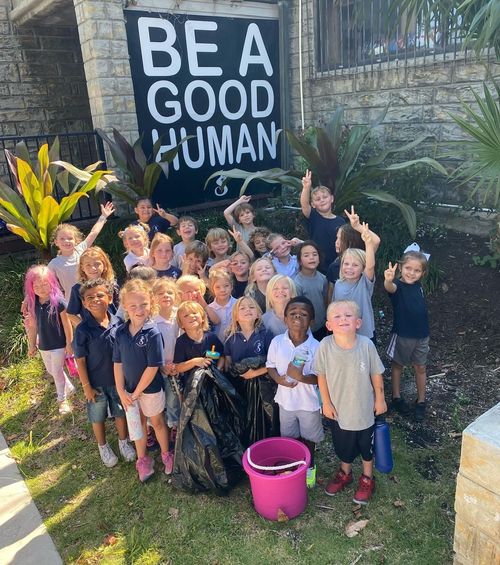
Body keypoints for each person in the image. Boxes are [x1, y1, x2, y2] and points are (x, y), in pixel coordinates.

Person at [314, 300, 387, 505]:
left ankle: (367, 478)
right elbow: (322, 377)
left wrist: (380, 398)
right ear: (328, 325)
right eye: (337, 316)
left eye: (348, 315)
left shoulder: (366, 345)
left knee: (366, 447)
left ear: (358, 322)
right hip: (338, 410)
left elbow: (376, 374)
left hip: (364, 409)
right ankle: (345, 473)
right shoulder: (325, 346)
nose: (343, 319)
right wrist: (325, 403)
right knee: (343, 446)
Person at [73, 279, 136, 467]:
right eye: (89, 297)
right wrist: (86, 387)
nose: (95, 300)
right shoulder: (83, 329)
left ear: (109, 298)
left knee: (119, 411)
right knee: (97, 415)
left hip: (118, 381)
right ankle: (103, 446)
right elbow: (80, 360)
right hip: (96, 383)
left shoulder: (119, 322)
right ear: (84, 303)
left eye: (100, 295)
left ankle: (123, 442)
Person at [113, 279, 171, 482]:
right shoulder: (120, 332)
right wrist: (121, 391)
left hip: (150, 389)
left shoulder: (153, 332)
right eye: (133, 306)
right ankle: (142, 459)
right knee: (137, 424)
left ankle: (166, 454)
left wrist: (136, 393)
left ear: (151, 303)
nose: (139, 309)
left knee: (156, 422)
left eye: (143, 304)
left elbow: (153, 366)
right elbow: (118, 363)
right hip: (128, 392)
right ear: (125, 306)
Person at [266, 296, 323, 488]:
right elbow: (270, 366)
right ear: (285, 318)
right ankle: (291, 468)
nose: (298, 316)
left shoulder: (317, 347)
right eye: (293, 313)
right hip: (285, 402)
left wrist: (300, 377)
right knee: (289, 438)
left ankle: (309, 468)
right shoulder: (277, 342)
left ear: (312, 321)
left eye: (304, 314)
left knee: (309, 438)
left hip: (309, 403)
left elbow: (319, 378)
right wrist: (279, 379)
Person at [384, 252, 430, 421]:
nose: (411, 273)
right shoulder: (397, 286)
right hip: (403, 335)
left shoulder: (418, 286)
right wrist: (388, 280)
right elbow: (390, 288)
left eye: (417, 270)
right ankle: (396, 397)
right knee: (398, 365)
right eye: (408, 268)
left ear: (422, 274)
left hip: (422, 335)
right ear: (401, 267)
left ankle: (421, 400)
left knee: (421, 367)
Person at [24, 265, 75, 414]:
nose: (41, 288)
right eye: (37, 286)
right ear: (31, 287)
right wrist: (32, 345)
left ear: (52, 282)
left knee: (57, 371)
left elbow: (67, 324)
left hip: (58, 344)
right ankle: (69, 388)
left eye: (45, 284)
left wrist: (69, 343)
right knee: (51, 370)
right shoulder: (33, 304)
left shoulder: (59, 302)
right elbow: (33, 327)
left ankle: (62, 400)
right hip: (43, 345)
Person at [48, 202, 115, 299]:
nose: (66, 241)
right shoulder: (54, 264)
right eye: (62, 239)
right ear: (56, 242)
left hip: (92, 297)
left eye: (70, 238)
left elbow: (94, 232)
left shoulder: (81, 250)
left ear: (76, 241)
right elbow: (43, 281)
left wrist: (103, 216)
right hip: (72, 303)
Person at [333, 223, 377, 343]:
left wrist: (368, 243)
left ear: (363, 268)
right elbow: (334, 308)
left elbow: (370, 265)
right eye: (346, 264)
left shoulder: (364, 282)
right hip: (343, 333)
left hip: (364, 333)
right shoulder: (338, 284)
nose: (349, 268)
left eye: (355, 265)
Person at [152, 278, 181, 456]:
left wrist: (178, 364)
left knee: (174, 399)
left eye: (169, 292)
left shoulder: (179, 315)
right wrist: (162, 365)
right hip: (158, 367)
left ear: (176, 295)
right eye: (161, 293)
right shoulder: (152, 320)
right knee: (160, 400)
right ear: (154, 297)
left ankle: (174, 427)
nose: (166, 296)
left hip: (177, 365)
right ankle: (158, 429)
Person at [326, 206, 381, 300]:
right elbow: (330, 295)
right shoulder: (334, 266)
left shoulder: (362, 258)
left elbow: (375, 241)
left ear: (350, 241)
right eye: (337, 238)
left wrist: (357, 226)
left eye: (340, 239)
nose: (336, 242)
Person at [300, 169, 345, 272]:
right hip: (317, 266)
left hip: (336, 265)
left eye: (325, 197)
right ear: (313, 204)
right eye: (317, 199)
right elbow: (304, 204)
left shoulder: (341, 221)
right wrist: (306, 187)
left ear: (332, 199)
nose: (322, 200)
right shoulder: (313, 216)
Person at [172, 301, 225, 386]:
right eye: (186, 315)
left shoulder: (212, 337)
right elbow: (178, 367)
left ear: (203, 317)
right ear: (181, 324)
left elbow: (222, 356)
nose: (191, 316)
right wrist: (194, 362)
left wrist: (218, 370)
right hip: (192, 388)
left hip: (213, 384)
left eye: (194, 313)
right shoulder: (181, 342)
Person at [67, 246, 118, 327]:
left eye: (97, 264)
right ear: (82, 268)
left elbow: (120, 309)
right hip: (93, 336)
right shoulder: (77, 289)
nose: (93, 268)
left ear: (104, 265)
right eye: (88, 265)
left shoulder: (112, 285)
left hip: (113, 331)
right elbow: (71, 314)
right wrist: (85, 328)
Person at [293, 241, 328, 339]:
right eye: (306, 255)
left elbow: (326, 301)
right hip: (306, 329)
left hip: (323, 325)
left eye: (314, 254)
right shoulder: (297, 283)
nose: (311, 258)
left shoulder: (323, 278)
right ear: (300, 261)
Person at [207, 269, 237, 342]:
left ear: (231, 287)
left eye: (226, 286)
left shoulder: (238, 305)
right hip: (215, 348)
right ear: (212, 289)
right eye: (218, 287)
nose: (222, 290)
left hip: (234, 345)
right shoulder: (210, 308)